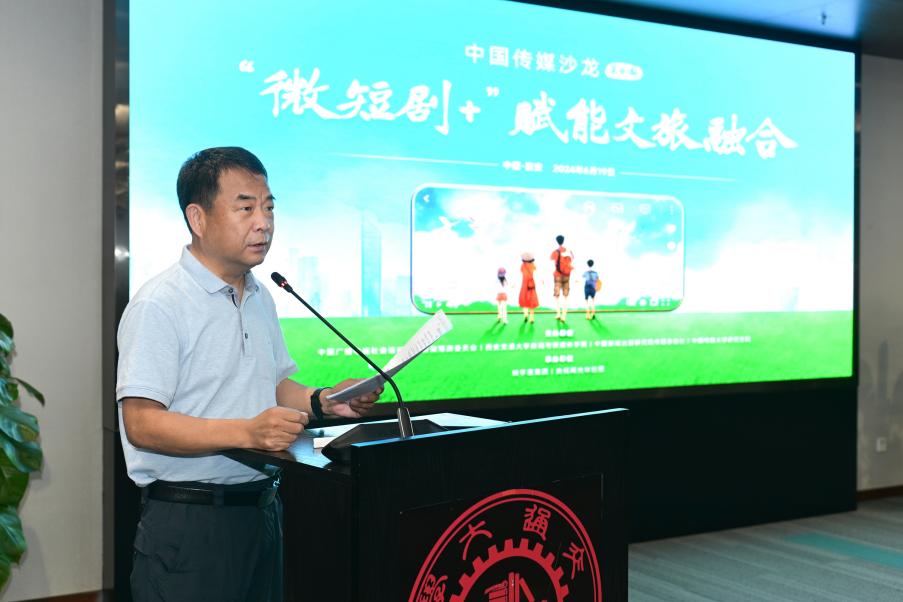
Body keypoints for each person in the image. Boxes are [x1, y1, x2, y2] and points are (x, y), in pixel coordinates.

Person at [117, 147, 381, 602]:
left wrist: (324, 400)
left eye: (269, 207)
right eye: (245, 208)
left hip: (262, 510)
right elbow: (141, 423)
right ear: (198, 218)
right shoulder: (160, 304)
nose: (264, 223)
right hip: (191, 522)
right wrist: (246, 432)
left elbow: (271, 386)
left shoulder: (261, 295)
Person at [549, 234, 575, 322]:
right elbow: (572, 261)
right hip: (567, 276)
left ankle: (558, 313)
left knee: (556, 295)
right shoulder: (569, 251)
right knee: (566, 296)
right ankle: (564, 315)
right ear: (563, 241)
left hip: (557, 275)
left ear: (557, 241)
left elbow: (551, 263)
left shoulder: (555, 252)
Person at [518, 252, 539, 323]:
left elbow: (520, 275)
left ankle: (526, 315)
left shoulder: (522, 266)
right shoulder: (533, 265)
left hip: (524, 285)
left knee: (524, 300)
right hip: (531, 285)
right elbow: (536, 275)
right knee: (531, 301)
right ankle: (532, 318)